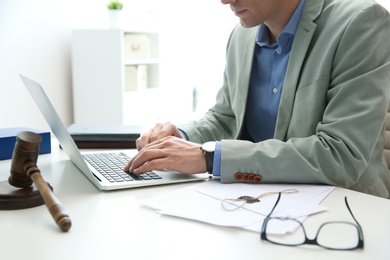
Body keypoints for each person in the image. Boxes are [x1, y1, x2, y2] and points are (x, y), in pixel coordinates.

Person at [124, 0, 390, 198]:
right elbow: (227, 117)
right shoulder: (242, 34)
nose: (225, 0)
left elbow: (340, 155)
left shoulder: (361, 22)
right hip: (264, 203)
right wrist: (180, 137)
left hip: (346, 208)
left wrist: (210, 157)